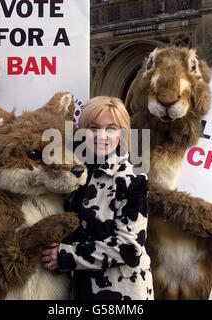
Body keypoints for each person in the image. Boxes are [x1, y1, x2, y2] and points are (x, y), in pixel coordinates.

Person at [41, 96, 154, 300]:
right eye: (93, 127)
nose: (101, 135)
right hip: (80, 290)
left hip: (122, 293)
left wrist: (65, 256)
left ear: (121, 133)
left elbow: (129, 247)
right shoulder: (75, 175)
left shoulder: (132, 180)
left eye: (111, 128)